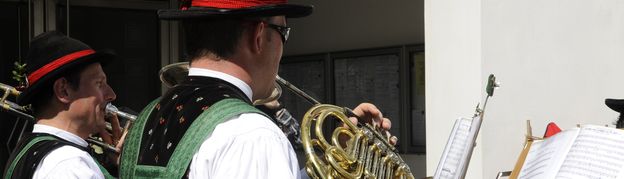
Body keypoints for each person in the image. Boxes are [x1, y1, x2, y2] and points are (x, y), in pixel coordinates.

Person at [120, 0, 393, 178]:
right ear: (259, 36)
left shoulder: (150, 117)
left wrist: (341, 161)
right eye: (283, 33)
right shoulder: (253, 135)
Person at [3, 31, 121, 179]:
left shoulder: (29, 151)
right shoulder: (69, 164)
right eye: (99, 84)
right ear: (63, 90)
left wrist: (115, 167)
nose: (111, 94)